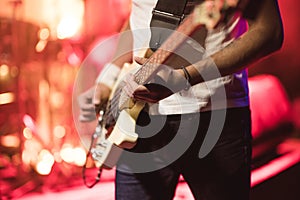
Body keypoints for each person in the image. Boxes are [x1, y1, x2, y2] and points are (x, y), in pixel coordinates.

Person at [77, 0, 283, 199]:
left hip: (214, 114)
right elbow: (140, 13)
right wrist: (110, 76)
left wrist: (186, 77)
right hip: (140, 120)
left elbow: (270, 32)